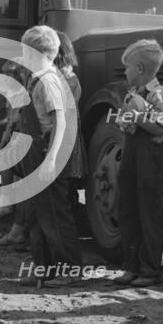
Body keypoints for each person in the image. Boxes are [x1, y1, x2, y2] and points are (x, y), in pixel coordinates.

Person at [17, 25, 83, 287]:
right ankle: (44, 268)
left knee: (56, 214)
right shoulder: (38, 78)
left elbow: (60, 121)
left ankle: (69, 270)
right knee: (37, 214)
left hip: (46, 152)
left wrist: (52, 158)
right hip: (34, 152)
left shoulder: (47, 80)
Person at [113, 39, 163, 287]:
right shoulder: (134, 94)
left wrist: (136, 116)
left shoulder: (160, 94)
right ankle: (131, 265)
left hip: (153, 159)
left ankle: (151, 269)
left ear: (139, 68)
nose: (124, 72)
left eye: (127, 67)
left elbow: (161, 127)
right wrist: (126, 119)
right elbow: (126, 124)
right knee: (128, 209)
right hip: (132, 156)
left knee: (151, 213)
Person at [0, 57, 28, 247]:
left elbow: (17, 121)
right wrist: (4, 140)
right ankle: (15, 223)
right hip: (16, 138)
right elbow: (9, 122)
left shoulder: (23, 95)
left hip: (22, 140)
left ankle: (17, 226)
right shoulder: (12, 95)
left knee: (21, 186)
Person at [54, 31, 89, 211]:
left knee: (62, 182)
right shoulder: (67, 75)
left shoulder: (65, 78)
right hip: (68, 131)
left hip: (63, 133)